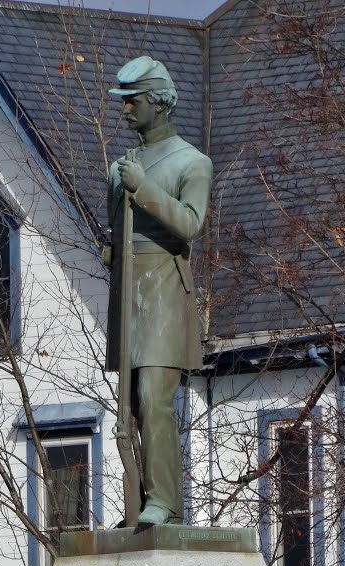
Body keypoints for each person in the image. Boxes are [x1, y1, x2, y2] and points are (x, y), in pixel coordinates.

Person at [106, 56, 213, 526]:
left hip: (166, 288)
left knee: (153, 395)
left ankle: (165, 502)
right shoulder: (121, 167)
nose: (126, 110)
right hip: (129, 288)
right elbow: (115, 233)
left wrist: (144, 188)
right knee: (126, 404)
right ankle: (137, 504)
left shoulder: (192, 162)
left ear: (160, 103)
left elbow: (190, 224)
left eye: (134, 101)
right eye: (125, 102)